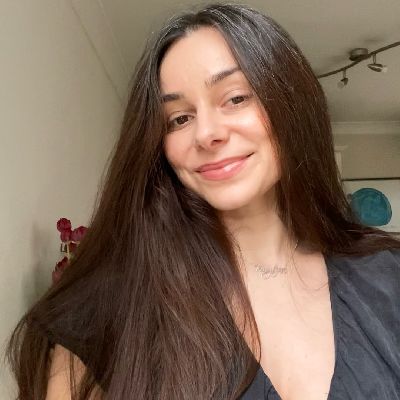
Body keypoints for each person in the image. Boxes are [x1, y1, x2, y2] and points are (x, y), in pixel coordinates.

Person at [6, 3, 400, 400]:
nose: (207, 133)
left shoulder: (387, 274)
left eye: (236, 98)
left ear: (291, 104)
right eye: (179, 118)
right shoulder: (108, 312)